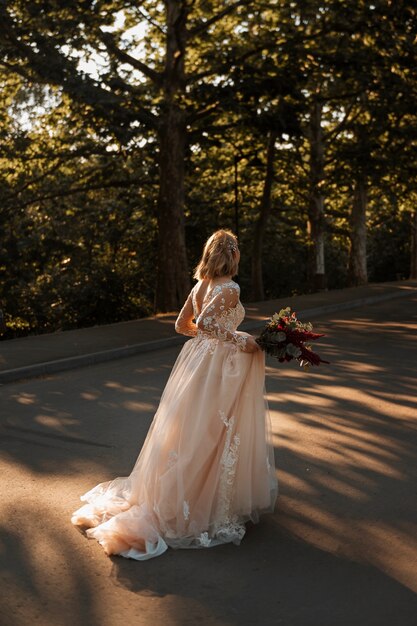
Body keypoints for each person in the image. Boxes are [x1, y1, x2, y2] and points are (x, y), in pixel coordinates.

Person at [71, 229, 277, 560]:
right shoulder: (231, 288)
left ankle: (189, 489)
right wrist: (240, 340)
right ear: (234, 255)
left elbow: (183, 325)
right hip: (219, 367)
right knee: (211, 428)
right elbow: (208, 322)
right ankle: (198, 499)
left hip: (199, 362)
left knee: (191, 427)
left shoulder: (200, 286)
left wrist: (212, 340)